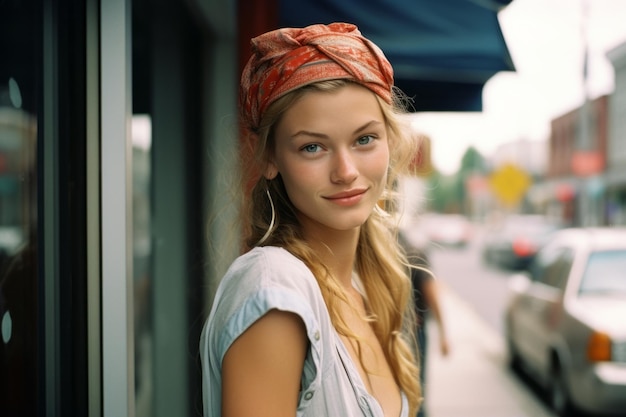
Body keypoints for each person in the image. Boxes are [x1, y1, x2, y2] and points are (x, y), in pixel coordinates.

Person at [200, 22, 424, 417]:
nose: (346, 171)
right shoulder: (275, 291)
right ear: (268, 156)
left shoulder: (365, 284)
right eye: (312, 146)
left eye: (364, 139)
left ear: (391, 139)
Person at [398, 229, 449, 417]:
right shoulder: (415, 253)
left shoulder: (378, 252)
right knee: (416, 390)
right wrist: (444, 333)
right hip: (414, 333)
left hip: (388, 332)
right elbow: (432, 295)